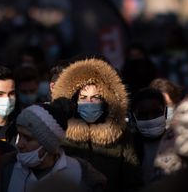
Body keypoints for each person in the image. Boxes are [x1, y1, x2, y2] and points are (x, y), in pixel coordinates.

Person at [51, 57, 143, 192]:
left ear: (106, 101)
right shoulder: (60, 134)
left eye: (95, 98)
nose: (89, 102)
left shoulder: (121, 134)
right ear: (74, 101)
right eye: (83, 98)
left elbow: (133, 181)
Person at [0, 101, 106, 192]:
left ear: (49, 144)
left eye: (28, 139)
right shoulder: (5, 169)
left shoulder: (81, 174)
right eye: (20, 135)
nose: (19, 144)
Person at [130, 88, 173, 184]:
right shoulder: (129, 148)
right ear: (134, 117)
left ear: (165, 113)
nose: (150, 119)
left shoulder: (176, 142)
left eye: (156, 113)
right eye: (143, 115)